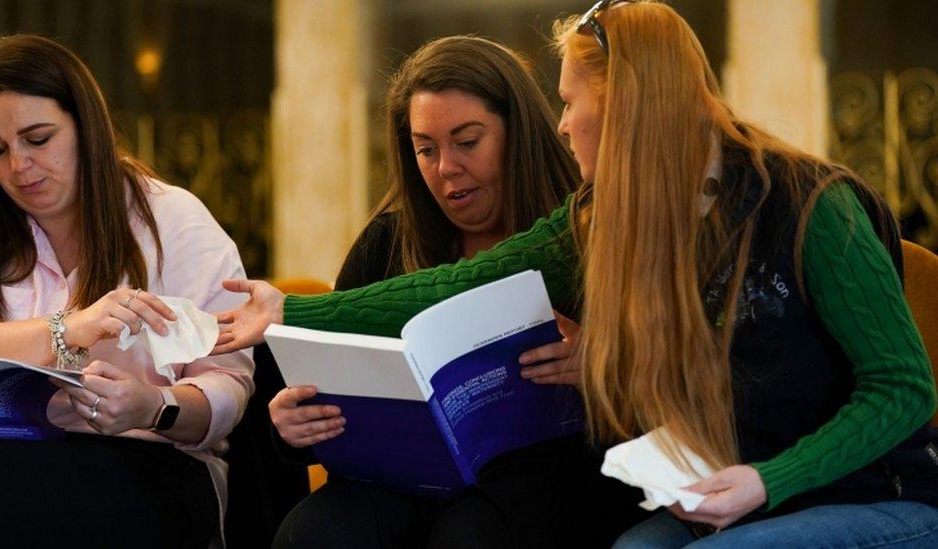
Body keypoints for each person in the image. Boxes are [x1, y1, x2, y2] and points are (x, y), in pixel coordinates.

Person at [214, 1, 938, 547]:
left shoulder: (815, 205)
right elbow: (457, 285)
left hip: (865, 491)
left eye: (569, 102)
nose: (560, 125)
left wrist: (765, 480)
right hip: (720, 494)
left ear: (625, 104)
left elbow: (903, 388)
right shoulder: (600, 214)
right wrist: (292, 313)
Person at [268, 35, 646, 548]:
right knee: (316, 532)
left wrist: (600, 365)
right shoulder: (386, 242)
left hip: (551, 480)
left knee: (469, 537)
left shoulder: (579, 230)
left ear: (520, 133)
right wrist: (294, 426)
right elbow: (325, 390)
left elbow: (663, 389)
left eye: (468, 142)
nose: (446, 167)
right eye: (425, 149)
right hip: (403, 479)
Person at [0, 35, 253, 547]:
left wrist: (153, 407)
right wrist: (66, 331)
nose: (18, 167)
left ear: (84, 127)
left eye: (38, 139)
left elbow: (228, 391)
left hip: (147, 460)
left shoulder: (173, 221)